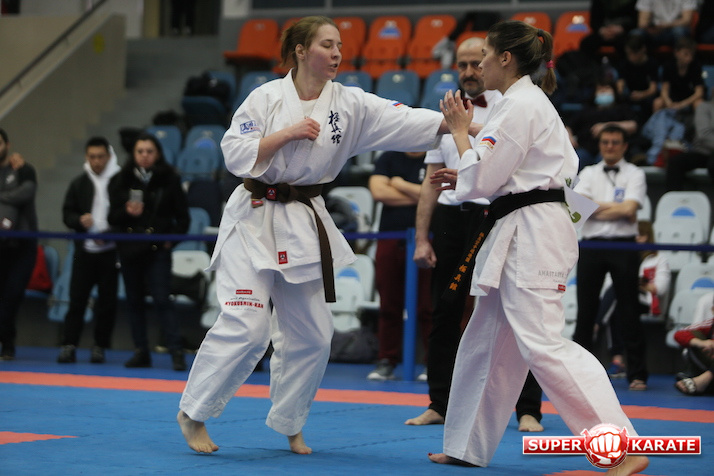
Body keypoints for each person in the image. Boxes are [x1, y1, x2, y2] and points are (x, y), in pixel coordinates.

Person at [176, 16, 467, 456]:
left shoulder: (348, 104)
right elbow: (234, 154)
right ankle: (194, 412)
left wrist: (460, 126)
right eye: (327, 45)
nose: (336, 53)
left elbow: (401, 119)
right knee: (247, 327)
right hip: (252, 217)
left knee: (314, 335)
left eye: (340, 46)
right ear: (300, 51)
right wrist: (287, 134)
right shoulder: (265, 97)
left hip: (301, 222)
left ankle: (289, 421)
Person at [427, 21, 649, 475]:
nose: (480, 65)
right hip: (520, 226)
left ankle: (622, 447)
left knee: (544, 344)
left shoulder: (520, 105)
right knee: (485, 344)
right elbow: (495, 174)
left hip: (532, 234)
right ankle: (467, 445)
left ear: (505, 58)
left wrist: (462, 133)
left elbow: (481, 178)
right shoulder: (523, 104)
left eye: (485, 56)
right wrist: (471, 162)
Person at [407, 37, 544, 433]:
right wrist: (422, 237)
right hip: (453, 218)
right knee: (445, 310)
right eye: (462, 64)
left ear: (491, 62)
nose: (469, 71)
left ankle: (528, 408)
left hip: (496, 215)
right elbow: (431, 181)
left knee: (516, 310)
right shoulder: (448, 111)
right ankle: (440, 403)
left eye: (475, 62)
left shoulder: (511, 106)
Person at [572, 125, 649, 393]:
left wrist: (595, 208)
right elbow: (579, 207)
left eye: (615, 142)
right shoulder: (588, 172)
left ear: (625, 146)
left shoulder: (635, 173)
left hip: (624, 246)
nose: (610, 146)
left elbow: (630, 209)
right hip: (591, 245)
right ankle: (579, 374)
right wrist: (618, 209)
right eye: (605, 142)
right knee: (586, 311)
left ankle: (637, 374)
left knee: (629, 310)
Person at [108, 132, 190, 371]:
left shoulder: (170, 179)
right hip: (130, 249)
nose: (144, 156)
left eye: (149, 151)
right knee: (134, 302)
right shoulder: (121, 180)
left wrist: (170, 241)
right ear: (133, 154)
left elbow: (183, 219)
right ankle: (141, 351)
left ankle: (176, 352)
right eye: (140, 151)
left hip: (157, 249)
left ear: (158, 154)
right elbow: (111, 218)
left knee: (162, 299)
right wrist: (126, 212)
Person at [366, 150, 432, 381]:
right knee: (388, 303)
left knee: (428, 304)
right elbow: (378, 192)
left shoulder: (435, 156)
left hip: (428, 238)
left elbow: (440, 194)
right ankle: (386, 360)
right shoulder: (388, 157)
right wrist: (422, 195)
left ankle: (432, 363)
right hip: (390, 237)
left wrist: (400, 184)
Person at [57, 137, 121, 364]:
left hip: (110, 253)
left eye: (100, 157)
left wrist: (110, 233)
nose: (96, 161)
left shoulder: (120, 181)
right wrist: (78, 220)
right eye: (92, 157)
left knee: (107, 303)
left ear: (109, 157)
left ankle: (100, 347)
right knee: (76, 300)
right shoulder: (79, 183)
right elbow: (67, 214)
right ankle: (69, 345)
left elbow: (125, 217)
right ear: (86, 157)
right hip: (84, 252)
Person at [594, 220, 670, 378]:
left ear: (648, 237)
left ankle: (596, 324)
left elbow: (660, 289)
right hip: (624, 300)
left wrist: (635, 283)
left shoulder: (658, 259)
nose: (636, 239)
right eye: (634, 235)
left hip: (646, 303)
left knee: (618, 293)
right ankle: (617, 361)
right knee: (617, 304)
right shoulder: (623, 258)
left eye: (640, 235)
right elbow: (607, 284)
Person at [0, 128, 38, 361]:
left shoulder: (23, 169)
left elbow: (25, 193)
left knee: (12, 295)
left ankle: (8, 344)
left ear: (8, 145)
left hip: (22, 245)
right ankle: (6, 344)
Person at [641, 36, 704, 165]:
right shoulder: (668, 66)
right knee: (658, 102)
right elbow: (664, 89)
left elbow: (699, 92)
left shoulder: (695, 66)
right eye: (686, 54)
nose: (689, 58)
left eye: (691, 55)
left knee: (700, 104)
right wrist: (669, 102)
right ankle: (657, 137)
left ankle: (697, 138)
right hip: (672, 100)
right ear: (677, 53)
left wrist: (682, 104)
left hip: (689, 101)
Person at [566, 77, 638, 170]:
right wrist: (569, 137)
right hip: (586, 149)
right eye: (600, 89)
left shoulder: (621, 108)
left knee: (606, 161)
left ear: (614, 92)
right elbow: (569, 126)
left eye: (607, 88)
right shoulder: (587, 110)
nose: (603, 91)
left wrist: (607, 126)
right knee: (576, 160)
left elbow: (633, 125)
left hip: (611, 148)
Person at [665, 89, 714, 190]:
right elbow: (704, 135)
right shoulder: (705, 107)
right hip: (704, 152)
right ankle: (674, 197)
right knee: (675, 162)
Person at [673, 292, 714, 395]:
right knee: (694, 336)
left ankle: (705, 379)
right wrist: (702, 343)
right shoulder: (710, 324)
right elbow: (679, 334)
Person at [616, 34, 660, 124]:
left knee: (653, 102)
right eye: (629, 54)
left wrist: (642, 94)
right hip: (630, 95)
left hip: (647, 96)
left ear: (643, 50)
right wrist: (620, 92)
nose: (631, 57)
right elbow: (620, 83)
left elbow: (653, 89)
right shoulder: (624, 64)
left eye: (634, 53)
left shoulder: (652, 64)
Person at [631, 0, 697, 49]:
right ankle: (639, 62)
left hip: (674, 29)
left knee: (680, 31)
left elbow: (686, 21)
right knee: (635, 34)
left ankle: (680, 62)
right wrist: (650, 27)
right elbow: (642, 23)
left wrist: (664, 26)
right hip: (654, 31)